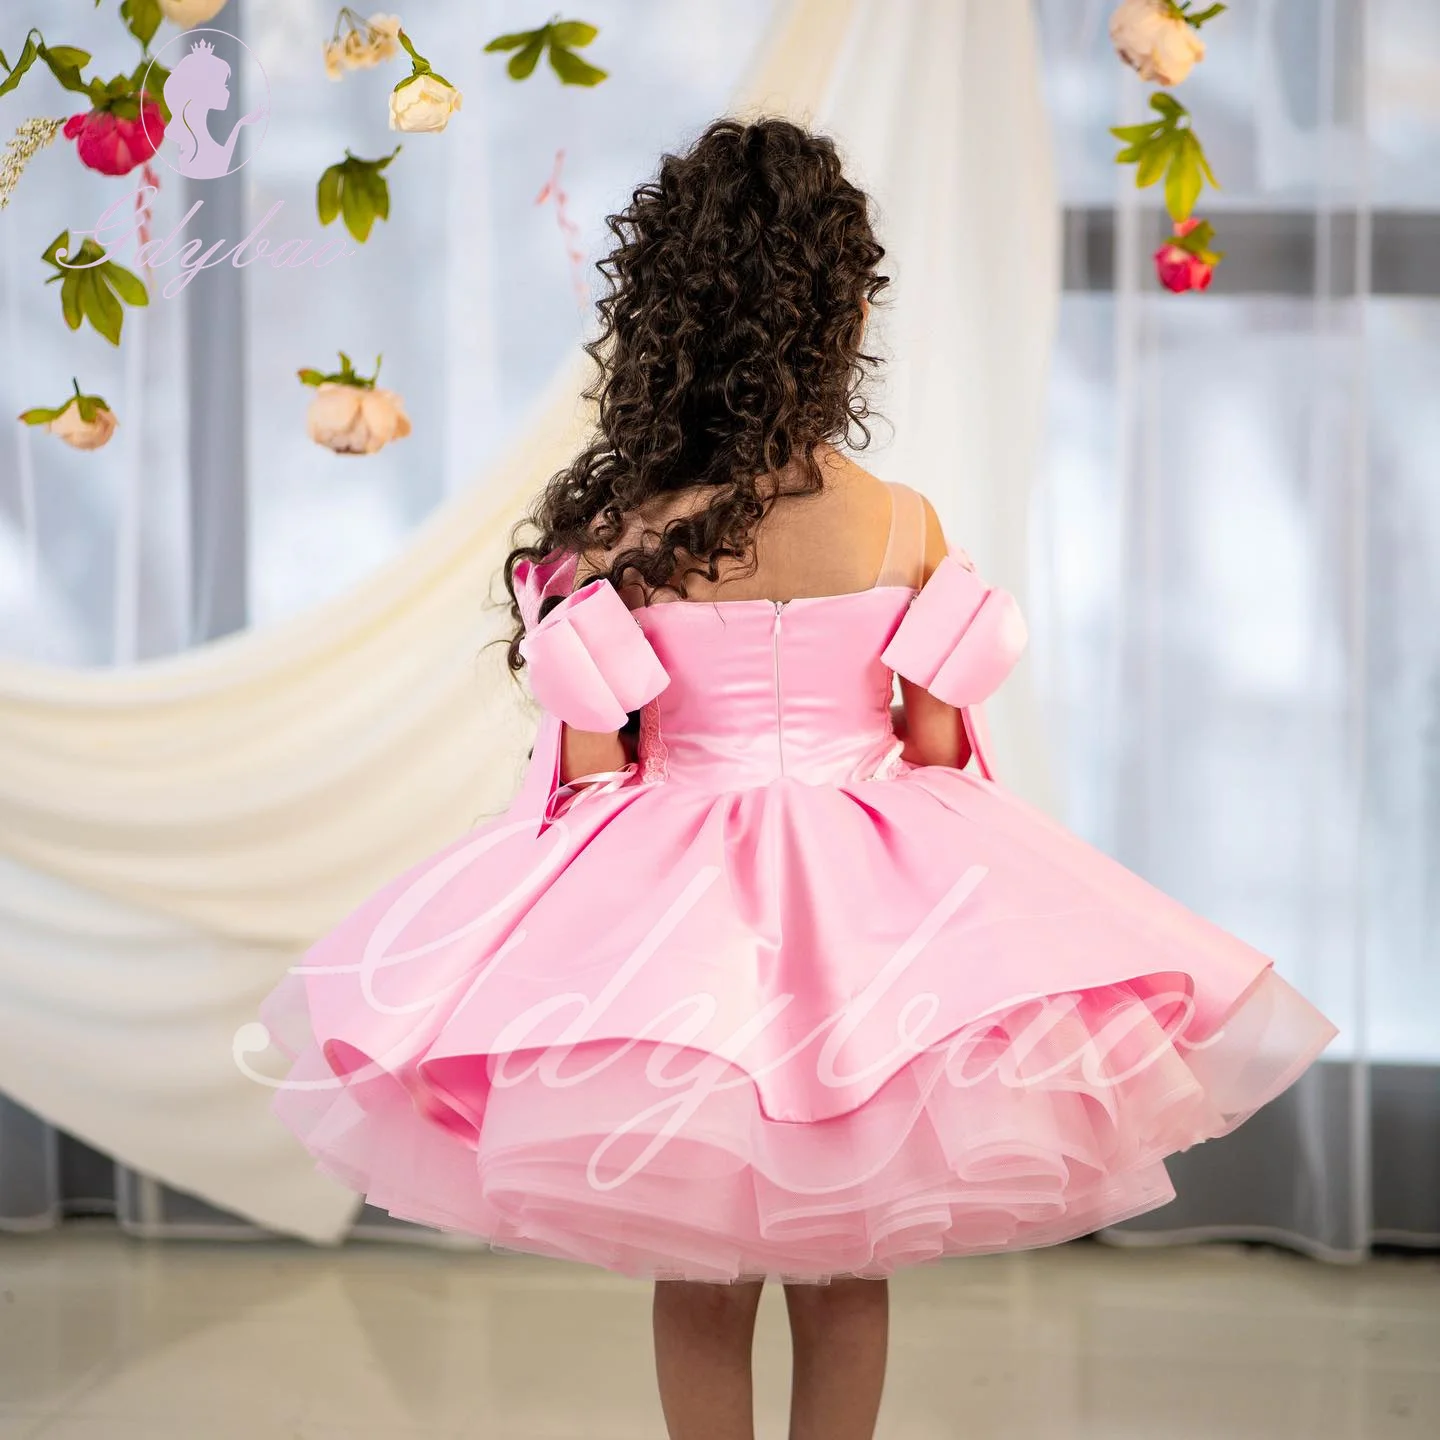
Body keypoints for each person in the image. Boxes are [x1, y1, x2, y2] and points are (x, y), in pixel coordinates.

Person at [257, 117, 1338, 1440]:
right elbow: (938, 748)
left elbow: (599, 770)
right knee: (846, 1268)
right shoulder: (902, 522)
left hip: (673, 926)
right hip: (875, 926)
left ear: (669, 320)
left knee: (700, 1273)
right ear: (843, 313)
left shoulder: (621, 539)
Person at [162, 38, 264, 180]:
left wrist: (240, 125)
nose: (228, 92)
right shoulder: (192, 143)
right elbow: (220, 163)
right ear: (203, 89)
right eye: (224, 86)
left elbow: (221, 161)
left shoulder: (197, 137)